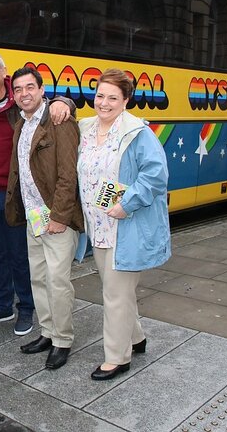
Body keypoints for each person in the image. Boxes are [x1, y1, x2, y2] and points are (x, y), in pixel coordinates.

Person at [0, 50, 75, 336]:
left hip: (16, 195)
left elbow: (49, 107)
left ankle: (26, 308)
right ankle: (2, 305)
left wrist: (65, 101)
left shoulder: (18, 104)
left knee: (21, 256)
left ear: (3, 73)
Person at [77, 68, 171, 380]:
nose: (103, 102)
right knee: (117, 289)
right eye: (100, 95)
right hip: (98, 226)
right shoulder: (86, 128)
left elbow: (156, 176)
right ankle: (136, 337)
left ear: (126, 100)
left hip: (124, 226)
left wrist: (125, 204)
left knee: (114, 294)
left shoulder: (138, 132)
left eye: (112, 97)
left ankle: (117, 357)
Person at [5, 67, 84, 370]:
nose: (24, 94)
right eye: (18, 90)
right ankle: (48, 333)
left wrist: (61, 216)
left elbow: (68, 174)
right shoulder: (21, 125)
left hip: (56, 219)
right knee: (38, 278)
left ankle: (63, 340)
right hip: (33, 216)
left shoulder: (58, 120)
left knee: (57, 281)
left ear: (41, 90)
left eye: (29, 88)